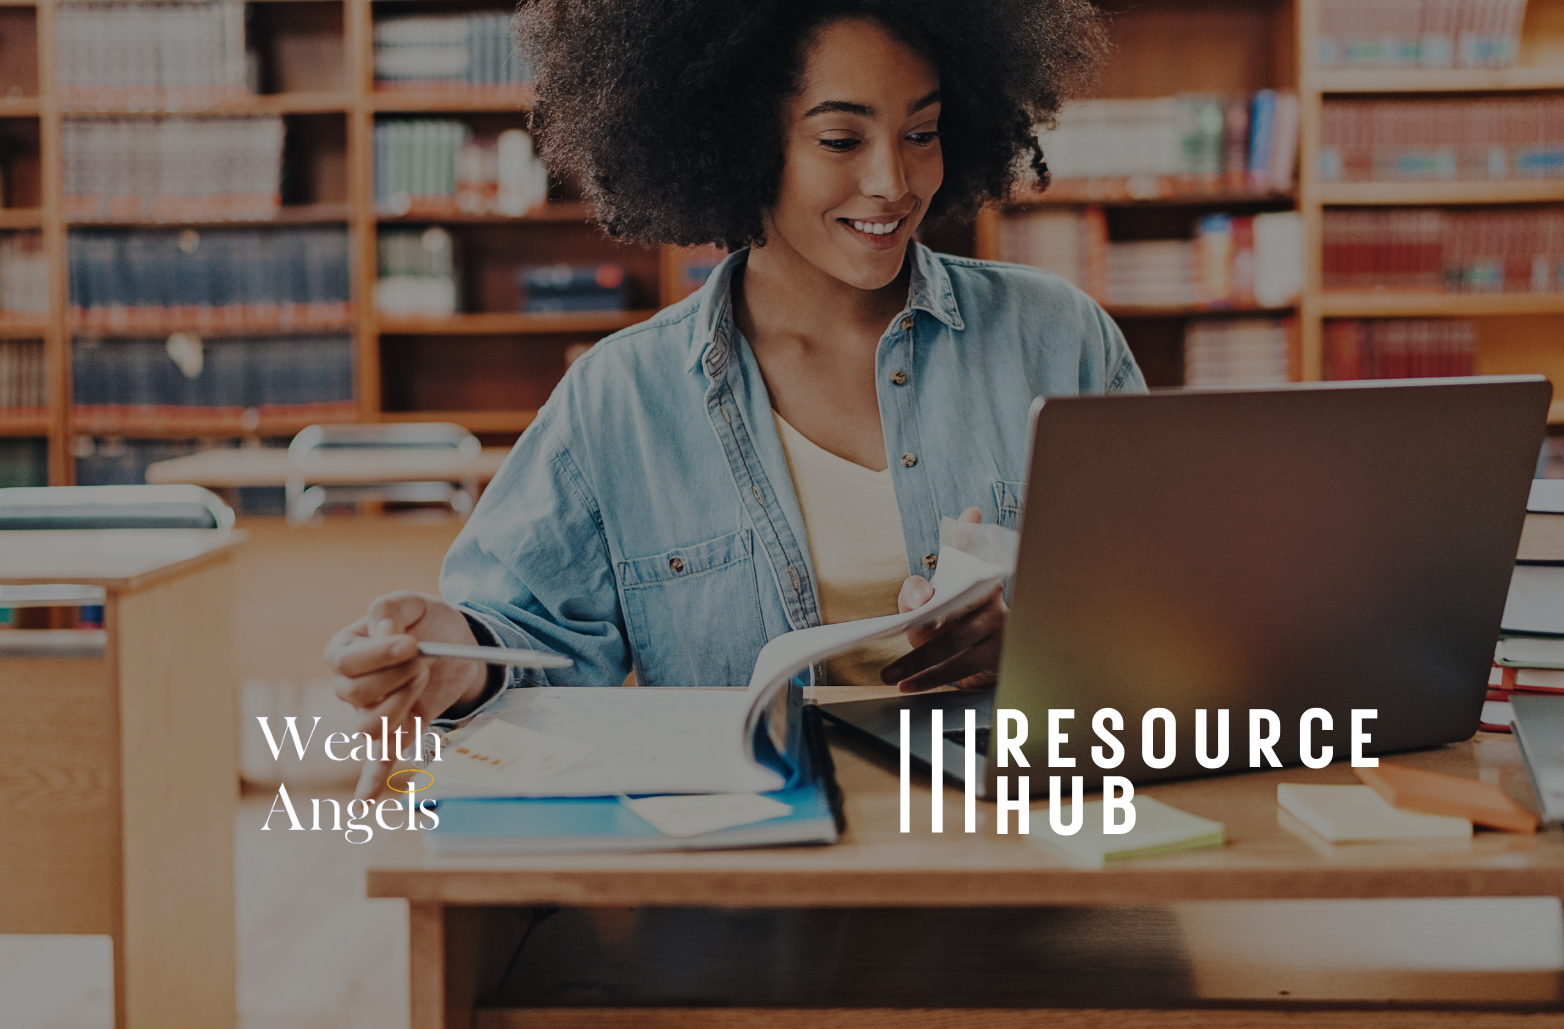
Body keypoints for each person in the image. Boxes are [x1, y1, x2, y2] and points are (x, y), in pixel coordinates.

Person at [328, 0, 1142, 799]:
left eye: (921, 134)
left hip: (1027, 860)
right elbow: (529, 643)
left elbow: (1167, 619)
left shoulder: (1056, 339)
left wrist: (1038, 642)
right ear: (741, 142)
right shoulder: (622, 400)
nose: (892, 181)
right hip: (757, 882)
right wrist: (461, 661)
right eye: (839, 138)